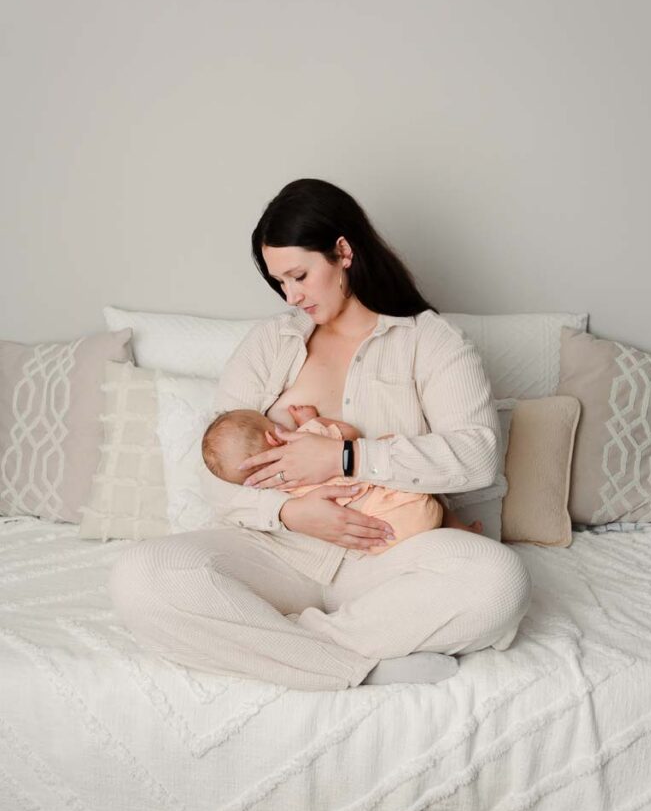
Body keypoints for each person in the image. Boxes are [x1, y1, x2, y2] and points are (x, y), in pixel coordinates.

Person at [109, 177, 531, 692]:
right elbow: (215, 471)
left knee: (496, 581)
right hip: (278, 551)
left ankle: (281, 647)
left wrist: (345, 458)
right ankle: (363, 665)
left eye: (300, 275)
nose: (291, 295)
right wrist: (287, 511)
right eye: (279, 282)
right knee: (142, 574)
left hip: (390, 553)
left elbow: (476, 457)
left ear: (343, 252)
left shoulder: (431, 341)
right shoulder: (268, 344)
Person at [200, 404, 484, 555]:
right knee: (389, 449)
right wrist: (312, 421)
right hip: (406, 503)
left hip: (376, 540)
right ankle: (459, 529)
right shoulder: (306, 438)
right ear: (274, 436)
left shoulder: (275, 489)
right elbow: (349, 434)